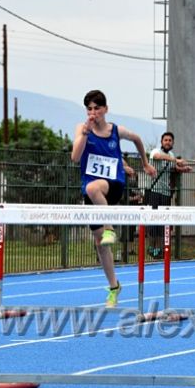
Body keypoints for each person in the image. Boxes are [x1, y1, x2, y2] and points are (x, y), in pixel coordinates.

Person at [71, 89, 156, 307]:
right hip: (93, 193)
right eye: (89, 109)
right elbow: (75, 157)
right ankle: (114, 286)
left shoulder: (116, 131)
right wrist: (86, 134)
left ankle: (110, 227)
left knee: (92, 188)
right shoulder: (82, 130)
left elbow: (137, 139)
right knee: (100, 245)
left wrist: (145, 163)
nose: (93, 112)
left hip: (114, 185)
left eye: (97, 108)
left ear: (105, 109)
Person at [146, 132, 192, 258]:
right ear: (161, 142)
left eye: (170, 140)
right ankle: (152, 247)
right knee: (154, 220)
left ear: (173, 142)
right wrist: (175, 160)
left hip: (166, 192)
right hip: (154, 190)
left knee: (164, 221)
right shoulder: (156, 151)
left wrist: (183, 169)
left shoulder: (171, 155)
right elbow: (157, 157)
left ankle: (160, 249)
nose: (167, 142)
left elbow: (173, 168)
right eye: (165, 140)